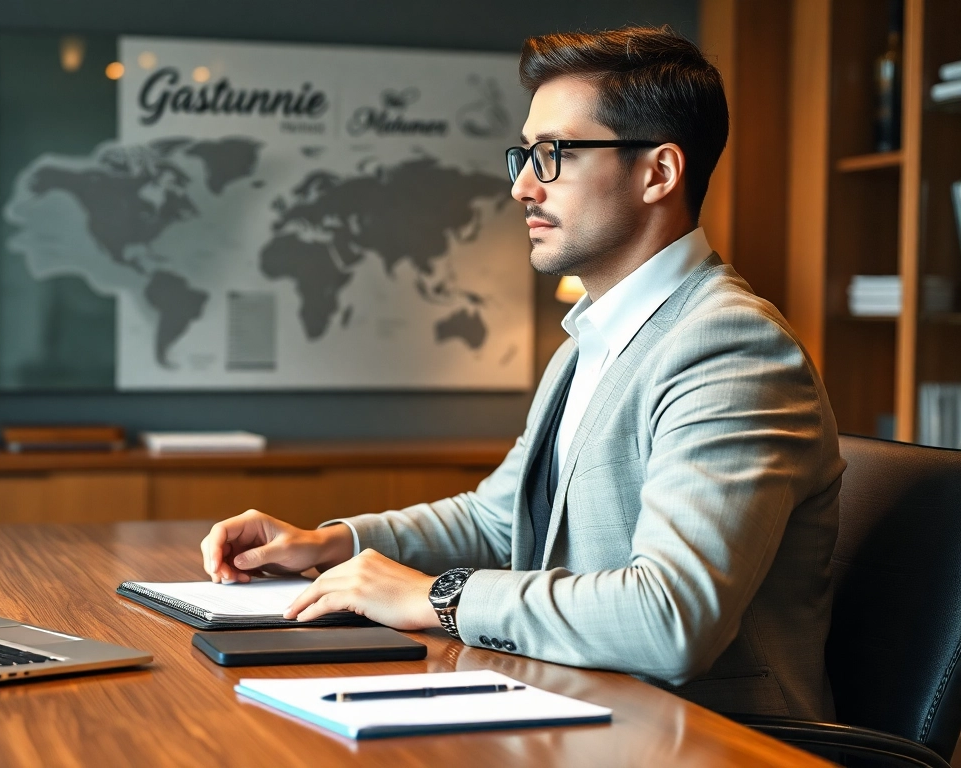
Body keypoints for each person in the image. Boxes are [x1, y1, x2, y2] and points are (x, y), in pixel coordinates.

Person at [201, 26, 845, 720]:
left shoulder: (728, 345)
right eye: (525, 155)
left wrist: (434, 596)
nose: (522, 187)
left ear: (658, 172)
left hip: (708, 739)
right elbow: (500, 516)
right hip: (579, 705)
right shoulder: (588, 342)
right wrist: (329, 544)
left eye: (553, 156)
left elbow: (671, 617)